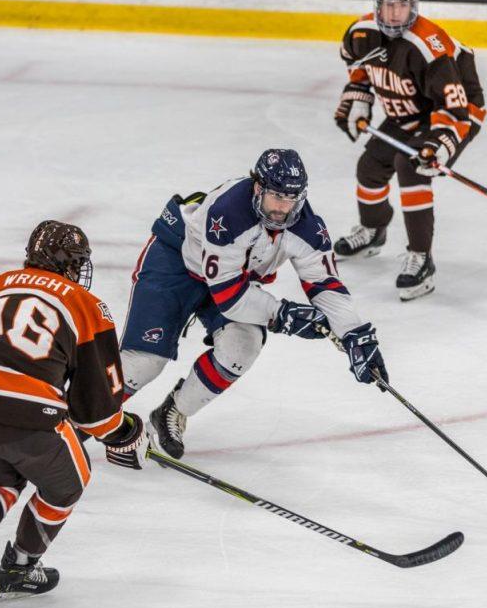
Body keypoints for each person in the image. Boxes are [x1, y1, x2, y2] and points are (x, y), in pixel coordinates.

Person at [0, 220, 146, 608]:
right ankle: (19, 569)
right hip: (22, 414)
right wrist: (126, 432)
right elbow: (96, 412)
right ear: (71, 265)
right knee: (69, 480)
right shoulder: (87, 304)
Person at [118, 148, 388, 459]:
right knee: (143, 363)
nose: (283, 208)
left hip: (230, 279)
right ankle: (78, 420)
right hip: (176, 263)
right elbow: (230, 297)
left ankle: (172, 411)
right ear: (257, 187)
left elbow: (325, 284)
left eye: (291, 198)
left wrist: (355, 334)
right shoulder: (227, 212)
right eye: (276, 196)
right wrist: (281, 314)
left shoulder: (307, 226)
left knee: (242, 346)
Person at [332, 0, 487, 300]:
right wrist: (358, 99)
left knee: (411, 165)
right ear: (376, 5)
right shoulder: (361, 33)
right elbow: (356, 65)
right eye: (386, 5)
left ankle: (421, 257)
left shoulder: (429, 47)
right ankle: (373, 231)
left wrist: (442, 144)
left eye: (400, 5)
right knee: (370, 167)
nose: (393, 13)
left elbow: (454, 106)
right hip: (407, 110)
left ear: (413, 6)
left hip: (454, 112)